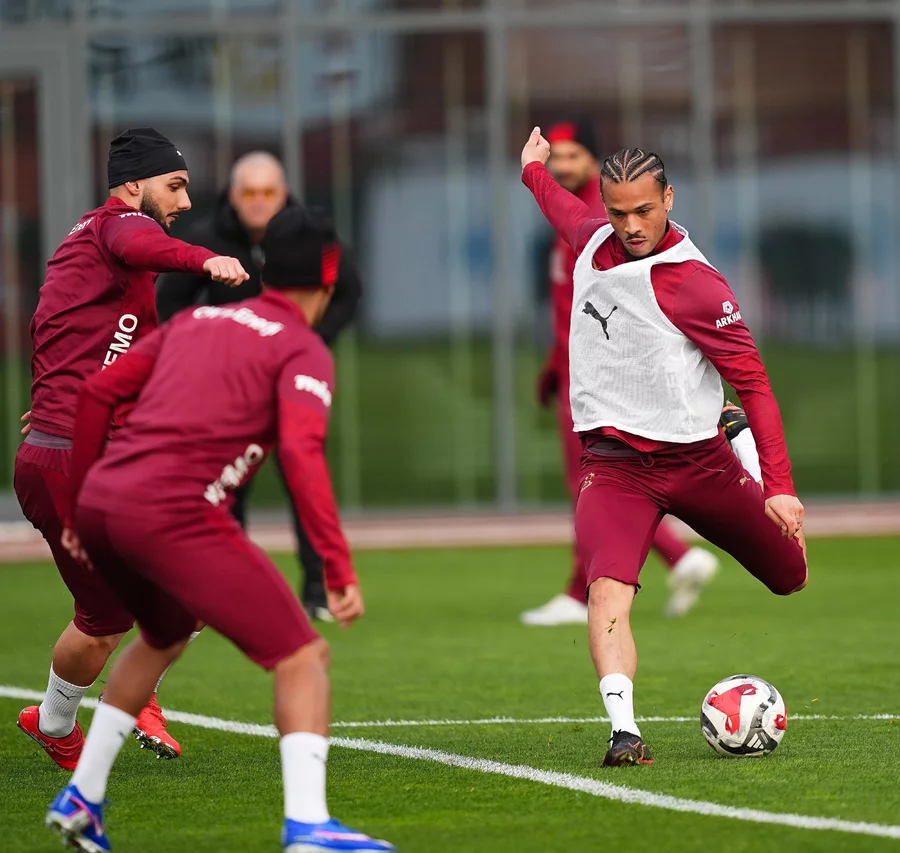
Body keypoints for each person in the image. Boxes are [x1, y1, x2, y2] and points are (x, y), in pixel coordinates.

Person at [45, 207, 393, 853]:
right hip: (173, 514)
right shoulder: (302, 348)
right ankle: (309, 825)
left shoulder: (197, 319)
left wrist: (75, 512)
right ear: (329, 277)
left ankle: (83, 796)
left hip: (103, 504)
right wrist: (336, 567)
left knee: (163, 634)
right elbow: (302, 453)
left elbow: (96, 395)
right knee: (303, 655)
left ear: (264, 269)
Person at [521, 129, 807, 767]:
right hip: (615, 468)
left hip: (700, 462)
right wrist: (532, 170)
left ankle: (735, 438)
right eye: (618, 212)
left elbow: (755, 383)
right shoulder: (591, 238)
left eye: (645, 210)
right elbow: (558, 205)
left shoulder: (694, 284)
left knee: (791, 575)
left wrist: (780, 487)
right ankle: (624, 732)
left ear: (669, 199)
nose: (631, 226)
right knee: (606, 592)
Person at [14, 127, 249, 768]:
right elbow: (140, 240)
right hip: (72, 462)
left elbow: (66, 329)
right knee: (108, 621)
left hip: (89, 451)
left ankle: (122, 697)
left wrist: (65, 392)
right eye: (174, 186)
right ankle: (64, 719)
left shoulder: (94, 248)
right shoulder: (115, 227)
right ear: (133, 184)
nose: (185, 201)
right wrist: (203, 259)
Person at [521, 117, 719, 626]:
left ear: (594, 158)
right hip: (575, 365)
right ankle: (672, 557)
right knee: (600, 482)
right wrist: (555, 363)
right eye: (557, 156)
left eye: (574, 154)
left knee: (596, 482)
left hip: (600, 372)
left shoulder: (601, 217)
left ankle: (588, 588)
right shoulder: (582, 214)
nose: (563, 164)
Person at [156, 151, 363, 622]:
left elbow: (348, 289)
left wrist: (309, 340)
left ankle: (318, 588)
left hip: (294, 375)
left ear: (284, 194)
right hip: (229, 386)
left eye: (268, 192)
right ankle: (225, 590)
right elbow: (169, 305)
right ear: (233, 196)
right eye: (249, 192)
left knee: (302, 471)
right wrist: (205, 349)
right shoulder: (207, 240)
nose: (258, 201)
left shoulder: (313, 238)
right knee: (228, 486)